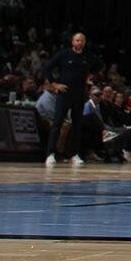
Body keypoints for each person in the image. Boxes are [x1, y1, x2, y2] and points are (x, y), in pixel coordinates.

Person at [42, 31, 92, 167]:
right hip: (64, 93)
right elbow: (47, 68)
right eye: (77, 40)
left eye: (81, 40)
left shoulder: (86, 57)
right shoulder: (64, 54)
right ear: (72, 42)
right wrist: (54, 84)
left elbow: (92, 70)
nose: (79, 42)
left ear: (84, 42)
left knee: (77, 125)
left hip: (79, 94)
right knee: (57, 122)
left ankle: (74, 154)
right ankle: (50, 153)